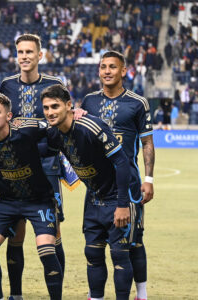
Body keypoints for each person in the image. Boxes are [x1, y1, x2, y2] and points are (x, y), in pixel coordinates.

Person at [42, 84, 134, 300]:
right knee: (92, 254)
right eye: (46, 108)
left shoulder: (91, 126)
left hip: (115, 200)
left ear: (68, 105)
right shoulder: (53, 132)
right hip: (93, 198)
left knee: (119, 256)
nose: (50, 112)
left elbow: (122, 163)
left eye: (55, 106)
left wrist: (122, 204)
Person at [0, 33, 69, 299]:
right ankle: (15, 294)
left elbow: (64, 120)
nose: (25, 56)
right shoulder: (6, 86)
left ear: (40, 55)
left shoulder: (54, 84)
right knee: (16, 229)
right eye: (20, 52)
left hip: (47, 165)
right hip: (14, 167)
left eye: (30, 52)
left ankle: (57, 295)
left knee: (53, 232)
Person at [0, 93, 63, 300]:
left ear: (9, 116)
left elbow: (54, 126)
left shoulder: (27, 131)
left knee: (47, 252)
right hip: (7, 203)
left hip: (39, 201)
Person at [81, 50, 155, 300]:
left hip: (129, 186)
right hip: (97, 187)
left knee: (132, 243)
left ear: (124, 71)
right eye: (103, 67)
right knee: (95, 249)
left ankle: (141, 295)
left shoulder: (137, 102)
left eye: (113, 67)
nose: (107, 71)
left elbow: (147, 143)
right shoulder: (89, 102)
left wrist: (149, 179)